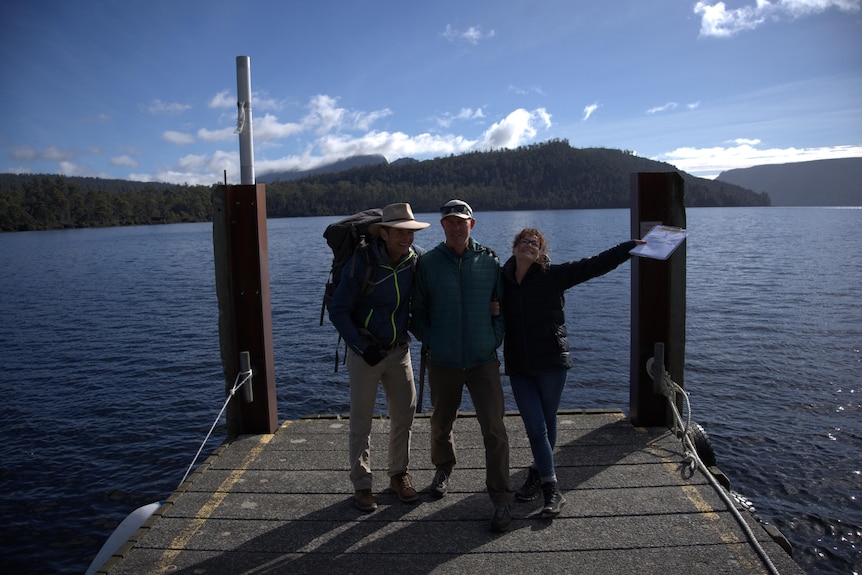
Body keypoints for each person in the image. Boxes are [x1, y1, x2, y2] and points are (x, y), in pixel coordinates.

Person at [501, 227, 644, 519]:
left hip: (552, 363)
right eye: (524, 241)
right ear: (514, 248)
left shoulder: (554, 275)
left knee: (546, 421)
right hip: (519, 367)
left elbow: (595, 264)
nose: (529, 245)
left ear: (540, 252)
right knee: (536, 426)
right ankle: (549, 485)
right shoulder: (500, 280)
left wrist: (628, 247)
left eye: (535, 243)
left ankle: (540, 478)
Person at [411, 199, 513, 532]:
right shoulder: (428, 264)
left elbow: (501, 308)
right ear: (442, 226)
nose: (456, 227)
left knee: (495, 431)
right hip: (442, 361)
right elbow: (417, 314)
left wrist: (493, 338)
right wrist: (432, 340)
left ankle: (499, 498)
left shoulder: (489, 261)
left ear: (472, 225)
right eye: (450, 222)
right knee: (441, 423)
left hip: (483, 361)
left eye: (462, 222)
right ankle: (443, 469)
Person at [329, 202, 430, 512]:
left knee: (405, 415)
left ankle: (398, 475)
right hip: (365, 353)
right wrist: (362, 347)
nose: (407, 238)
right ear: (384, 233)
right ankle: (362, 485)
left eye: (410, 232)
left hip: (399, 351)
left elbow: (419, 304)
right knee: (361, 422)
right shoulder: (362, 262)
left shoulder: (415, 261)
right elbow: (339, 310)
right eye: (399, 232)